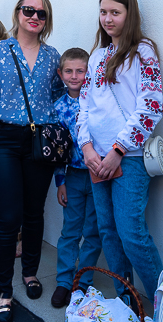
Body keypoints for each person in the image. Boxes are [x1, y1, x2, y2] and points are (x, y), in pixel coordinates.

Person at [0, 0, 65, 322]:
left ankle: (30, 273)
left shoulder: (53, 56)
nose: (34, 16)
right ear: (18, 12)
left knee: (34, 213)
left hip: (38, 143)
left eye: (41, 13)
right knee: (9, 218)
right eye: (29, 10)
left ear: (46, 20)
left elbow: (56, 96)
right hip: (2, 141)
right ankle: (4, 289)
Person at [77, 0, 163, 304]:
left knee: (132, 237)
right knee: (109, 234)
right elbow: (83, 106)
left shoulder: (143, 50)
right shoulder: (98, 54)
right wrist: (86, 147)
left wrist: (118, 150)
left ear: (130, 14)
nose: (108, 18)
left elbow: (152, 105)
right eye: (103, 12)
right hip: (95, 159)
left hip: (126, 158)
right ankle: (129, 305)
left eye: (115, 12)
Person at [51, 48, 102, 308]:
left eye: (80, 71)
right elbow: (59, 152)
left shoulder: (98, 101)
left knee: (93, 231)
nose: (74, 76)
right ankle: (63, 282)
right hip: (72, 176)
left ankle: (82, 282)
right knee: (70, 231)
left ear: (88, 72)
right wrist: (60, 182)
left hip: (98, 176)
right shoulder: (58, 108)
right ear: (60, 74)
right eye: (69, 71)